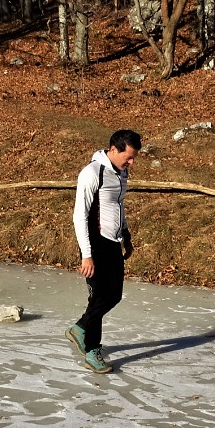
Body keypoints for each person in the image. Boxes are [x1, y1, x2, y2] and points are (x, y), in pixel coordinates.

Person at [66, 129, 141, 373]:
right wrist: (86, 254)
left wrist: (126, 238)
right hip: (95, 242)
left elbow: (119, 206)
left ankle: (80, 328)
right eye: (128, 157)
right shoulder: (91, 173)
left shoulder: (121, 173)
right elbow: (79, 216)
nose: (131, 162)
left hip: (113, 241)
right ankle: (92, 350)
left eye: (133, 158)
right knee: (99, 297)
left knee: (114, 295)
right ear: (113, 149)